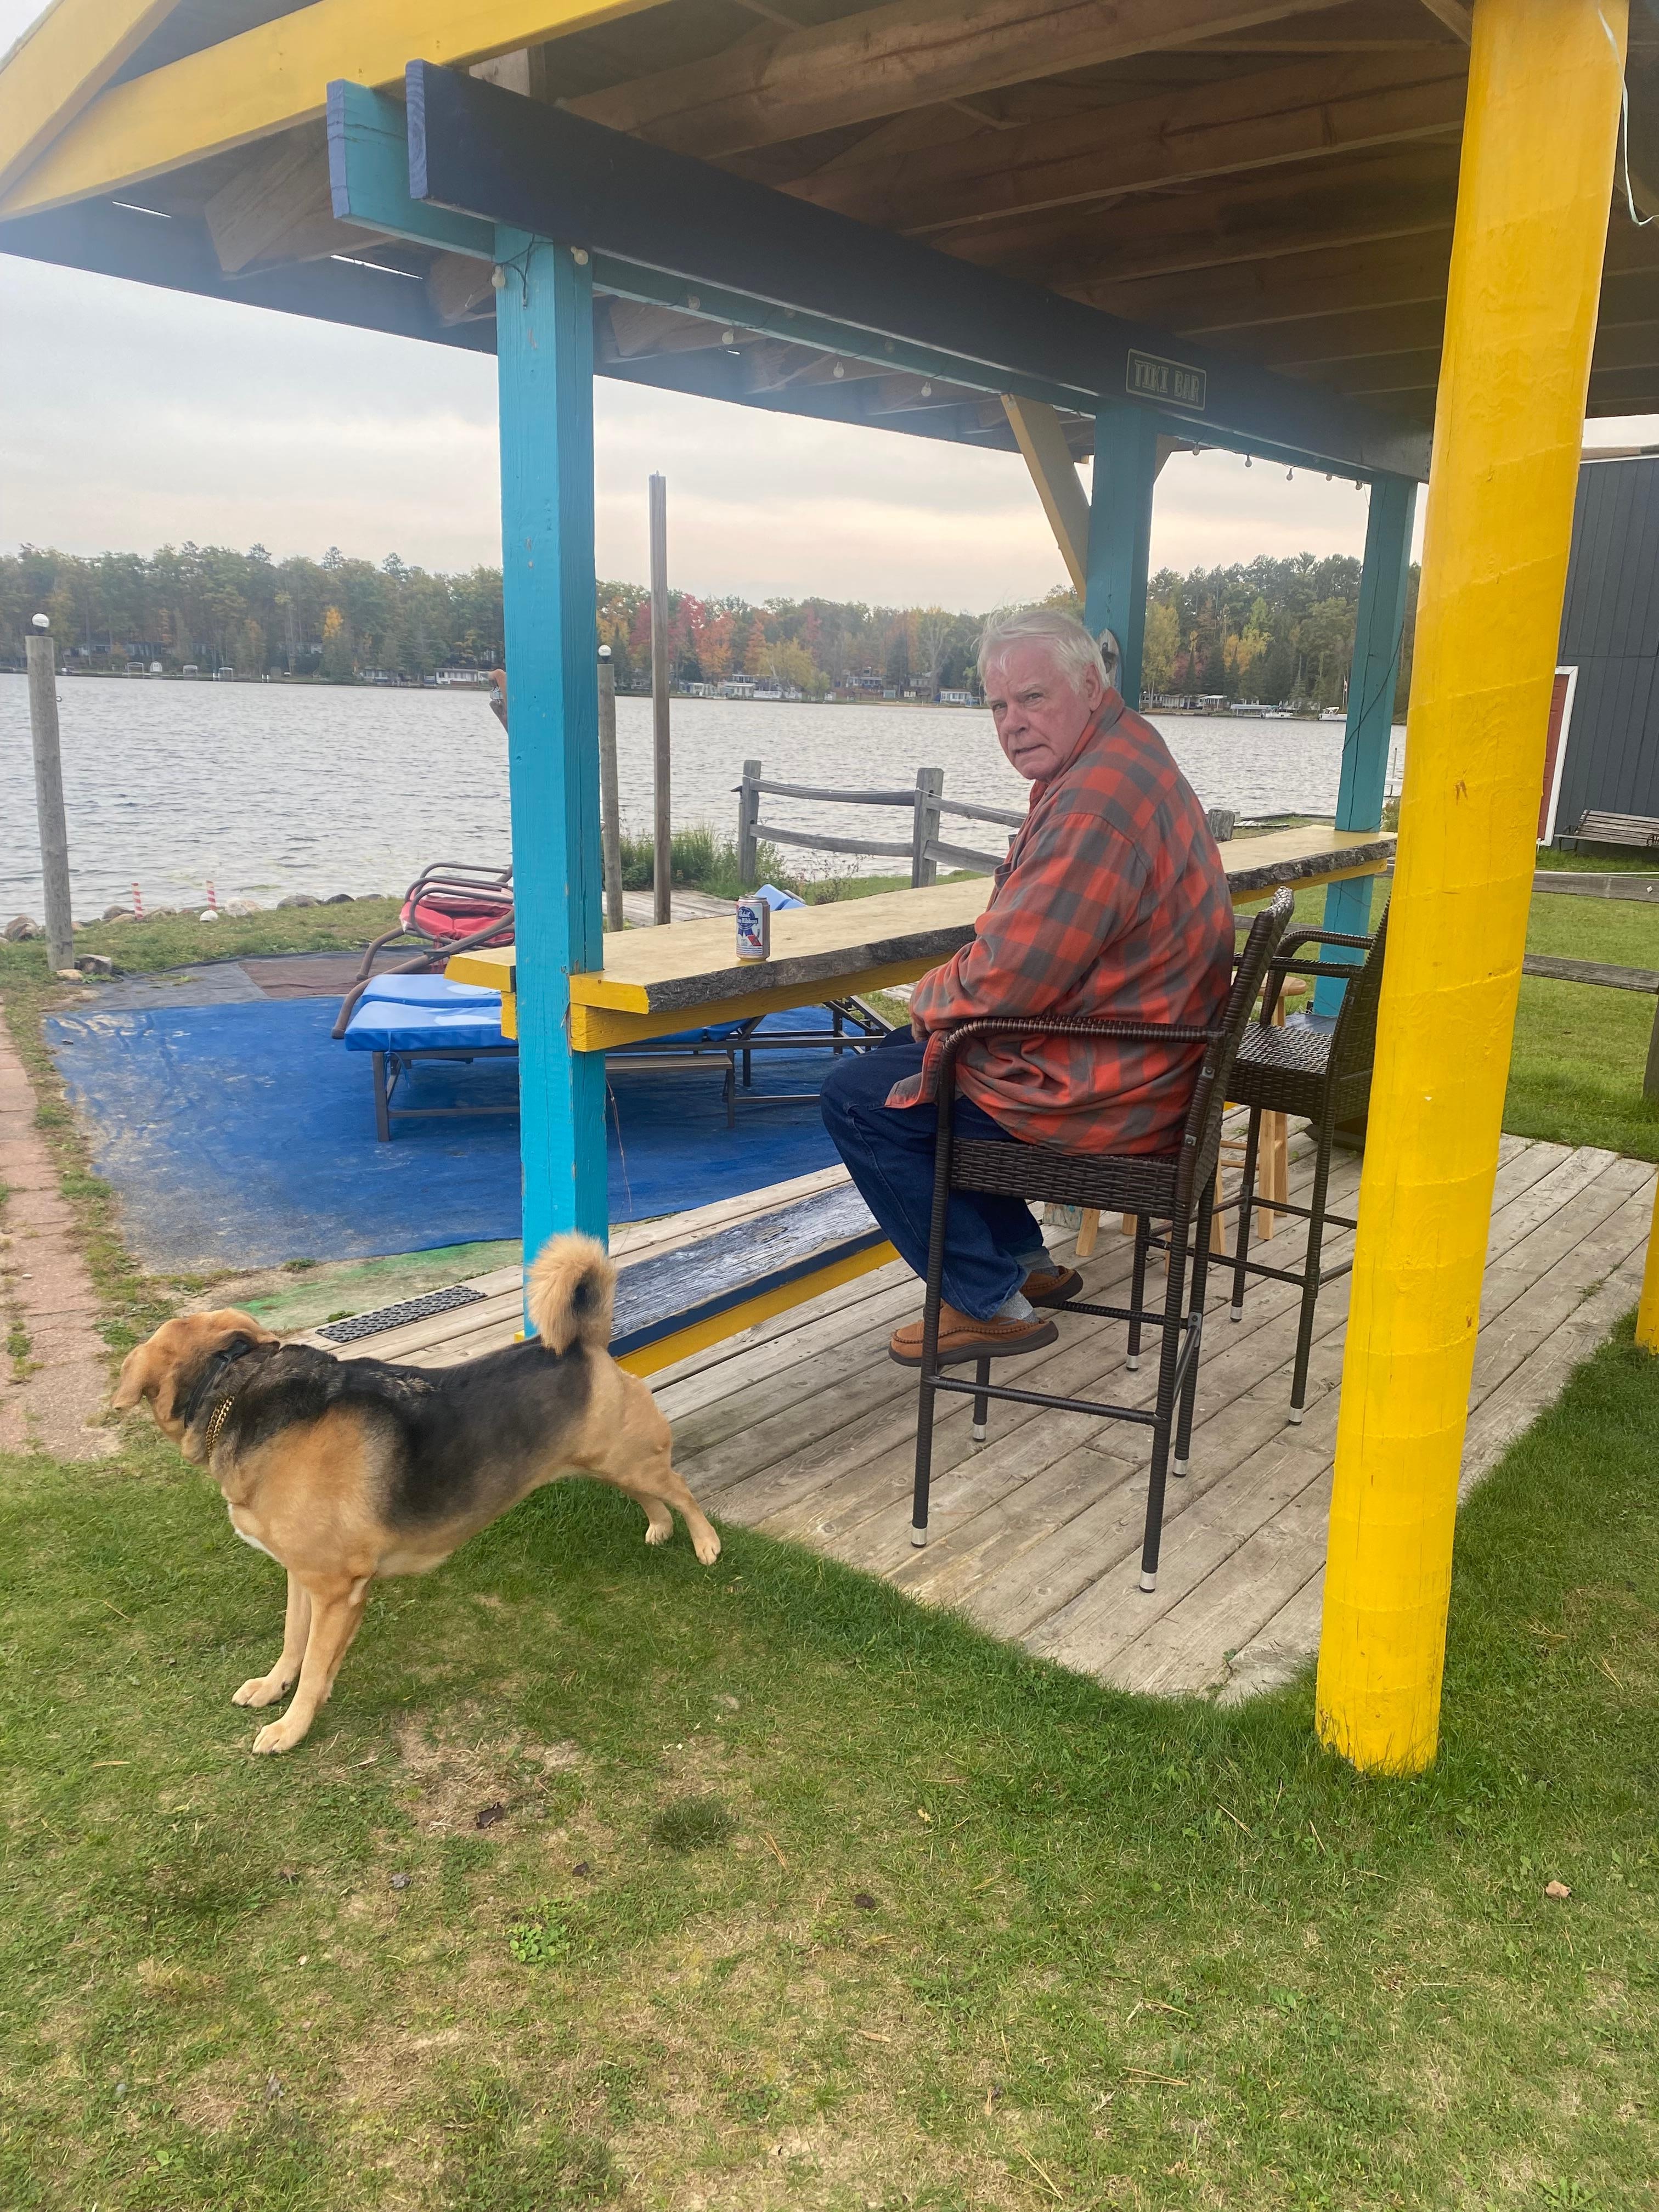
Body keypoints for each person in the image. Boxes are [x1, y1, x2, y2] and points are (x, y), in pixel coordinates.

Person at [819, 605, 1234, 1368]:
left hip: (1107, 1093)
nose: (1012, 723)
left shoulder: (1093, 804)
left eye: (1032, 699)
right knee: (912, 1058)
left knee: (857, 1098)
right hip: (1149, 1061)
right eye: (998, 706)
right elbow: (1029, 955)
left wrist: (927, 998)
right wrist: (941, 1014)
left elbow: (1008, 977)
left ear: (1087, 683)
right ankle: (1025, 1263)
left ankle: (986, 1302)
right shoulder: (1124, 747)